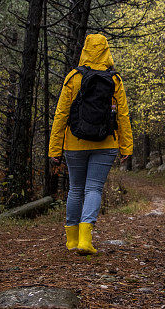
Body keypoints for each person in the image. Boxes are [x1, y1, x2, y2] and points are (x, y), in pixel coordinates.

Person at [48, 34, 132, 255]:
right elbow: (122, 114)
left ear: (84, 49)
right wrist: (126, 147)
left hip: (74, 143)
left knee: (75, 189)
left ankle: (72, 240)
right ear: (106, 50)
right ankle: (86, 240)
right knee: (94, 188)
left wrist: (54, 149)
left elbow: (61, 115)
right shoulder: (114, 80)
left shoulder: (73, 77)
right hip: (106, 143)